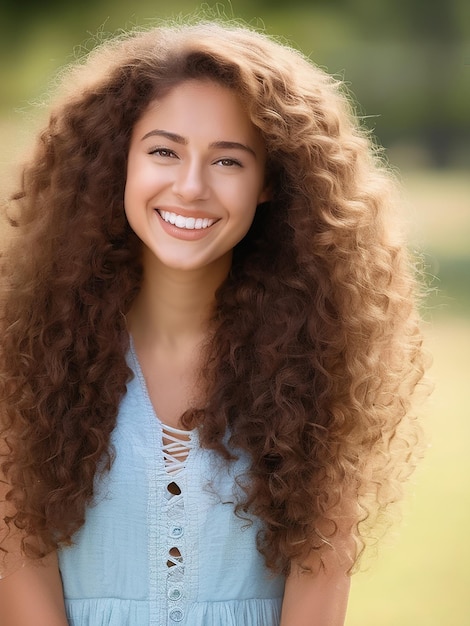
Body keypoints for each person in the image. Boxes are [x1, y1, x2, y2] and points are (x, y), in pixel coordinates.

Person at [0, 19, 428, 626]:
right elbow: (19, 577)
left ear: (269, 185)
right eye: (164, 151)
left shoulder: (320, 362)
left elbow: (319, 587)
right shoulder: (23, 355)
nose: (191, 186)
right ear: (116, 162)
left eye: (228, 160)